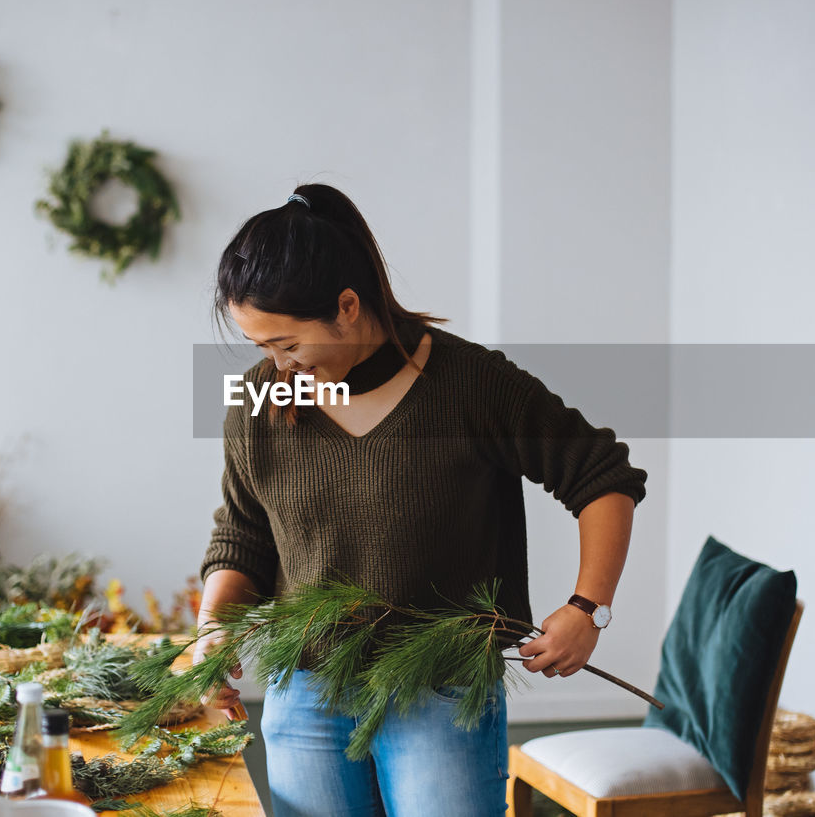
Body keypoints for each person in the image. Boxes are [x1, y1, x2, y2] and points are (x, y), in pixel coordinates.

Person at [196, 184, 647, 817]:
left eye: (289, 345)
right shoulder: (260, 399)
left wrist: (587, 607)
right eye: (263, 348)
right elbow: (242, 533)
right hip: (303, 694)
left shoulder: (471, 386)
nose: (276, 366)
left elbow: (603, 477)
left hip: (441, 695)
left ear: (347, 306)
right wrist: (214, 630)